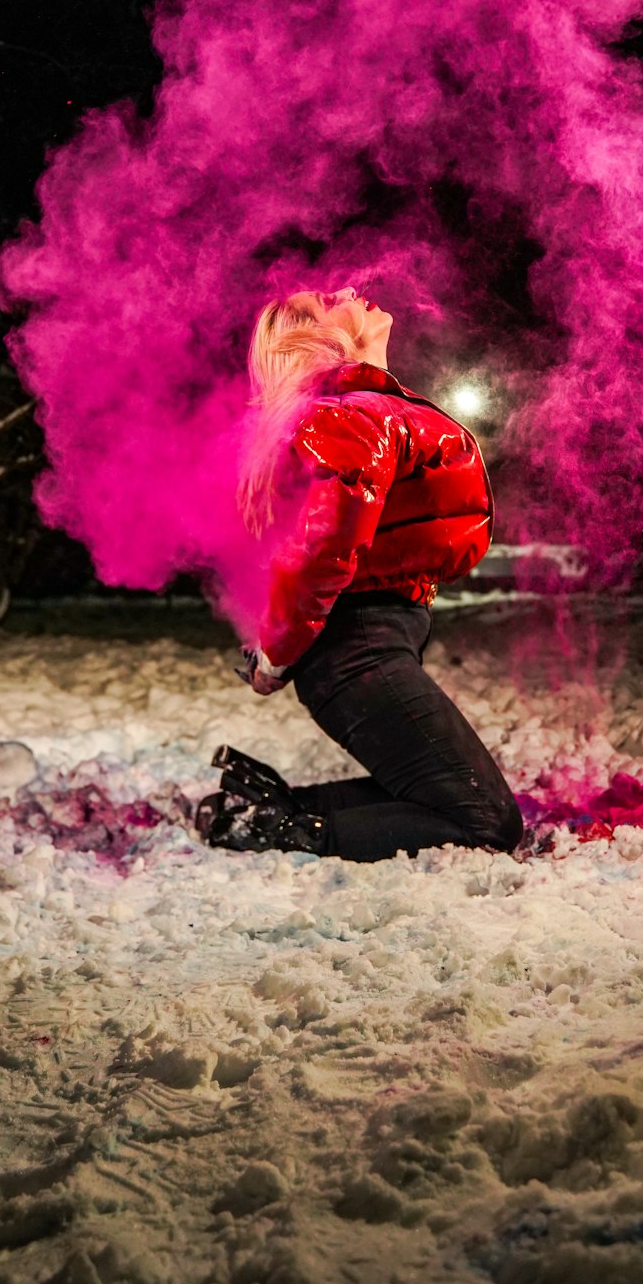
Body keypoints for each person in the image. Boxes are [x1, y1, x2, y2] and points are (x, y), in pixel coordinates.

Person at [196, 283, 523, 862]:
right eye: (331, 298)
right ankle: (281, 833)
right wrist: (277, 651)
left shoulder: (360, 410)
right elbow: (322, 546)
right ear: (323, 336)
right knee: (486, 820)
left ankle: (262, 810)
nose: (351, 289)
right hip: (359, 651)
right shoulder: (346, 417)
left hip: (370, 644)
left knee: (435, 793)